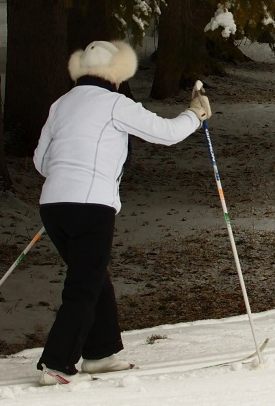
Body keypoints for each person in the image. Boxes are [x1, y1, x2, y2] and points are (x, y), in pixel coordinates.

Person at [32, 40, 211, 385]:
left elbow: (41, 161)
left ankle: (101, 354)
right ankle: (56, 363)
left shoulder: (61, 104)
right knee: (84, 283)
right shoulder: (116, 104)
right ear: (116, 74)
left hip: (53, 206)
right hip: (91, 206)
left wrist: (69, 176)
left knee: (93, 276)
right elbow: (167, 133)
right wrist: (196, 114)